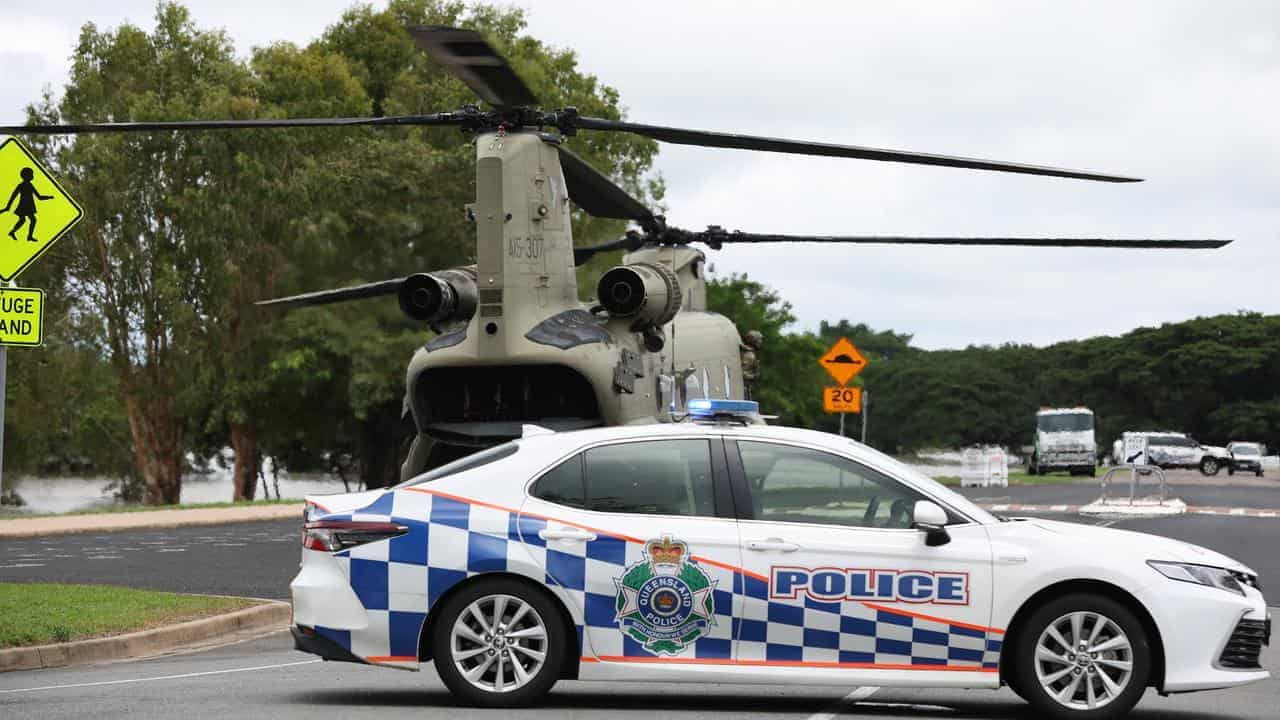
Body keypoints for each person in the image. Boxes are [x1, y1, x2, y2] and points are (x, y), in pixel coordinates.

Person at [1, 167, 54, 242]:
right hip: (23, 205)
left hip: (29, 206)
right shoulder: (21, 185)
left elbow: (39, 197)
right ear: (27, 176)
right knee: (26, 220)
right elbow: (13, 196)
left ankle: (21, 234)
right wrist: (8, 207)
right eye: (31, 174)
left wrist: (49, 197)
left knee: (30, 220)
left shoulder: (30, 185)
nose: (33, 176)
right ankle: (16, 233)